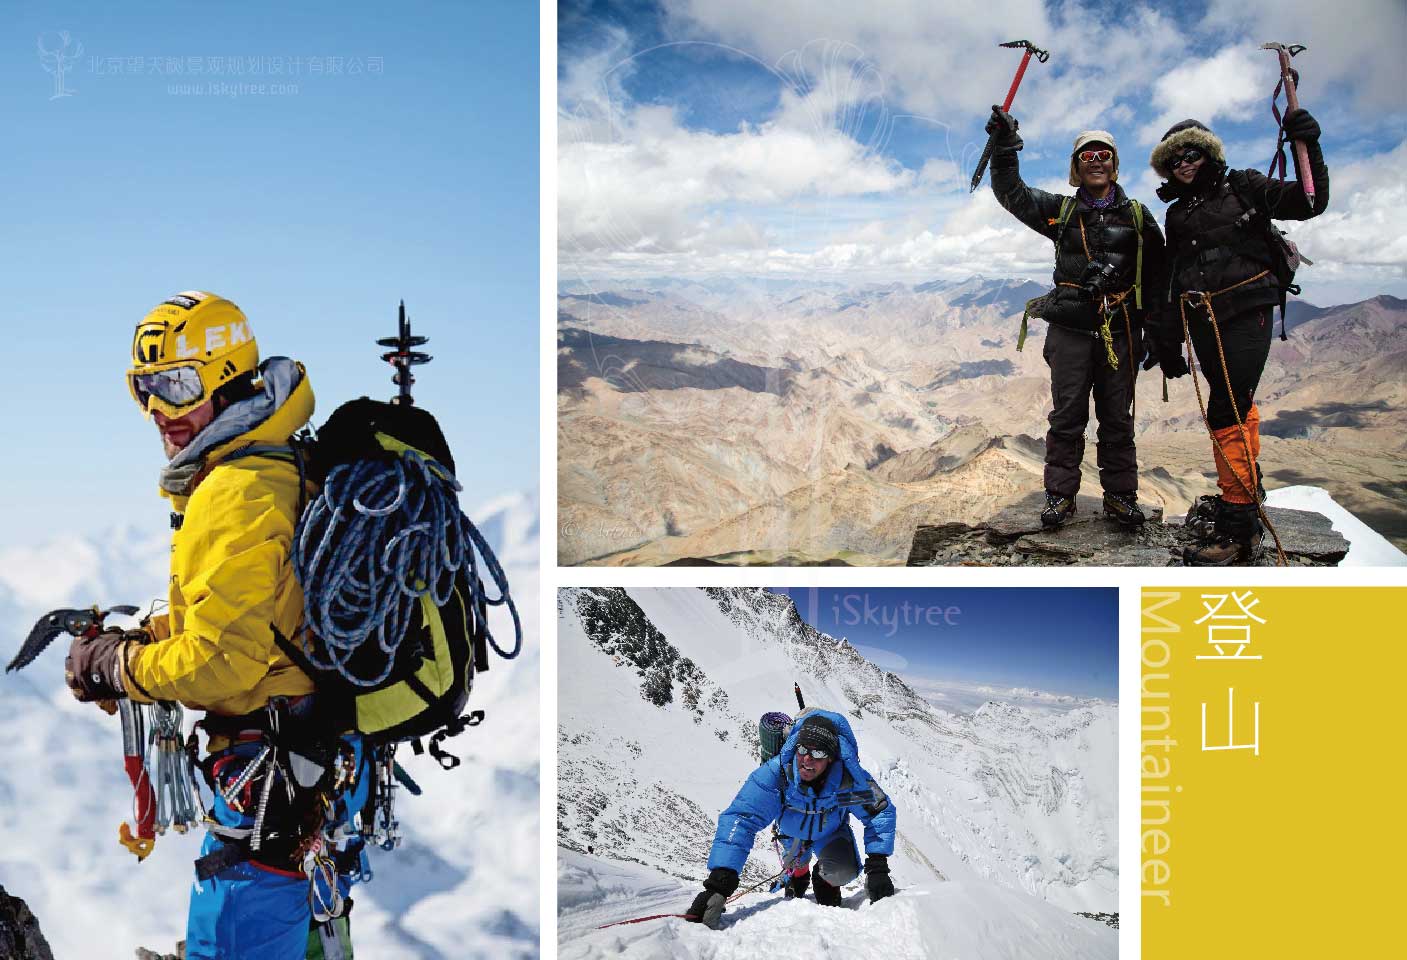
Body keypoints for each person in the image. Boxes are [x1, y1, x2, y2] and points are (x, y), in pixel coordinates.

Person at [64, 291, 362, 960]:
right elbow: (260, 610)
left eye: (177, 385)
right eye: (144, 389)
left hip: (267, 788)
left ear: (228, 378)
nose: (160, 412)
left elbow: (219, 665)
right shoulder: (278, 461)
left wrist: (118, 666)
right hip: (304, 770)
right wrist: (154, 638)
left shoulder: (236, 491)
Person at [1145, 110, 1329, 565]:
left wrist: (1308, 145)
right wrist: (1166, 342)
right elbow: (1173, 276)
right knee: (1235, 404)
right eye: (1173, 161)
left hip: (1249, 311)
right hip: (1203, 319)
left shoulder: (1244, 185)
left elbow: (1309, 202)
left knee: (1225, 408)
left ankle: (1239, 525)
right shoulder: (1176, 213)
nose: (1183, 165)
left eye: (1190, 154)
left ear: (1207, 154)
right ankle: (1249, 484)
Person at [986, 108, 1169, 529]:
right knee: (1067, 418)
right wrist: (1004, 147)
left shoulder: (1139, 217)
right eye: (1087, 156)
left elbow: (1160, 280)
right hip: (1069, 331)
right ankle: (1060, 498)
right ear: (1076, 166)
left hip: (1121, 331)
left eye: (1104, 153)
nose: (1097, 160)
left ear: (1115, 163)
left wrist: (1160, 335)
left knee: (1117, 420)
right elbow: (1011, 192)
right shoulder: (1061, 213)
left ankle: (1121, 497)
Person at [685, 711, 897, 929]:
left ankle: (823, 878)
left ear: (832, 758)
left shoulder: (847, 781)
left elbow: (878, 812)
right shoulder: (778, 775)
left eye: (818, 752)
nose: (807, 758)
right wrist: (719, 883)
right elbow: (742, 818)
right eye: (803, 749)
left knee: (843, 871)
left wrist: (878, 866)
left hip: (829, 832)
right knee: (797, 866)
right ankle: (800, 872)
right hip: (791, 833)